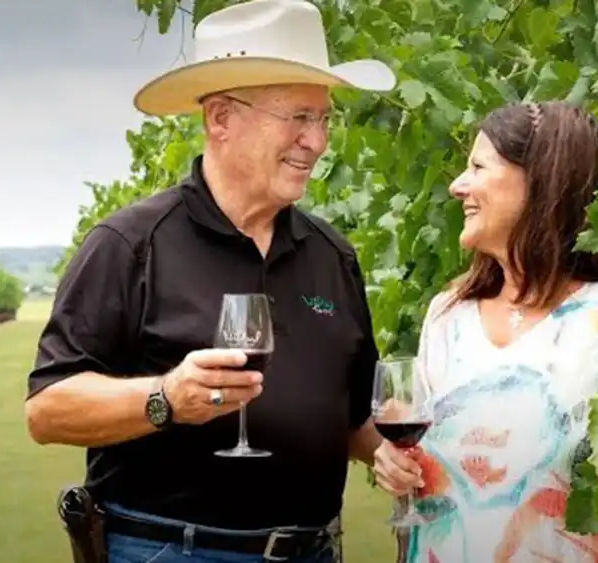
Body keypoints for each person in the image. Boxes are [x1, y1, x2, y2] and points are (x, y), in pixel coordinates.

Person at [24, 1, 396, 562]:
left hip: (312, 550)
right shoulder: (131, 245)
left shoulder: (333, 256)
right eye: (297, 116)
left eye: (323, 119)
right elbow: (47, 410)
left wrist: (384, 451)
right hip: (172, 551)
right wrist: (165, 399)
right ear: (220, 118)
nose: (316, 142)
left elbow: (351, 417)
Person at [371, 100, 598, 562]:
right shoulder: (448, 317)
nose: (458, 185)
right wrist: (395, 466)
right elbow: (427, 488)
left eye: (477, 167)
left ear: (540, 180)